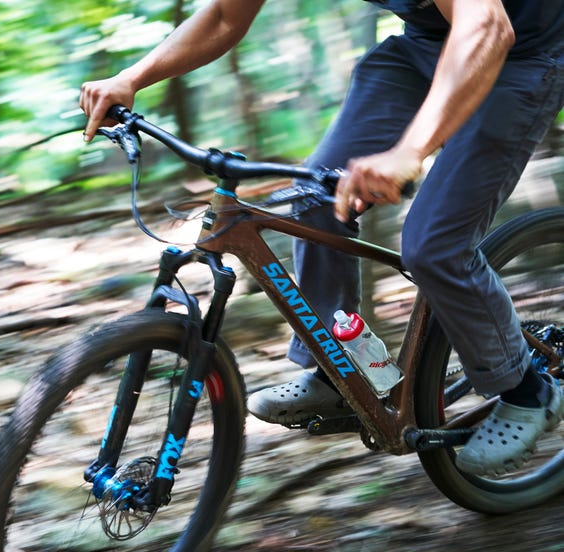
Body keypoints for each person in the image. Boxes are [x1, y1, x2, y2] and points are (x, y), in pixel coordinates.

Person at [80, 0, 564, 475]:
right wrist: (133, 78)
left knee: (433, 245)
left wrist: (408, 151)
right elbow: (226, 16)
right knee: (314, 198)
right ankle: (340, 373)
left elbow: (486, 27)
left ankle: (527, 390)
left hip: (525, 55)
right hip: (425, 46)